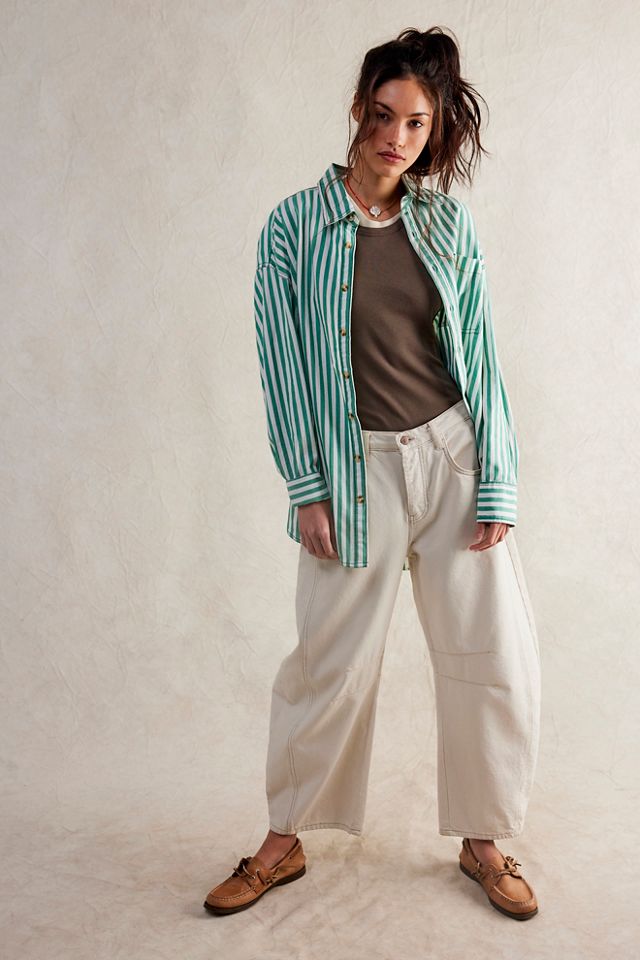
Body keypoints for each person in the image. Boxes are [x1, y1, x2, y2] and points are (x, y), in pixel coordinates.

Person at [204, 25, 542, 921]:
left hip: (452, 458)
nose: (397, 137)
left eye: (417, 123)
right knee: (329, 661)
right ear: (358, 109)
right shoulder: (293, 227)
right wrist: (306, 486)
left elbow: (482, 357)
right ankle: (282, 843)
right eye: (384, 115)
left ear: (435, 130)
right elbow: (280, 364)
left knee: (490, 654)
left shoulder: (446, 224)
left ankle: (483, 841)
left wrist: (498, 477)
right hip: (355, 473)